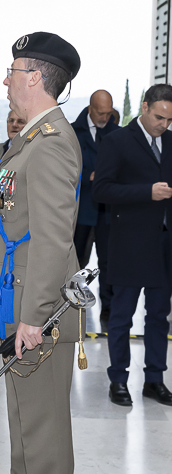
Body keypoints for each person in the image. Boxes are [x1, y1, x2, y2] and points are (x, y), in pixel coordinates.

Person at [0, 31, 82, 474]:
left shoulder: (50, 143)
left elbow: (54, 239)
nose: (5, 80)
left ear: (33, 77)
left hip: (38, 311)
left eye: (11, 71)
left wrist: (34, 316)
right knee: (24, 421)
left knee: (43, 426)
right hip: (19, 302)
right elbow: (19, 221)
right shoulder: (31, 137)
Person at [92, 84, 172, 408]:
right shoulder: (117, 141)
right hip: (129, 244)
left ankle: (154, 379)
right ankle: (118, 380)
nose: (163, 125)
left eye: (168, 120)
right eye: (158, 117)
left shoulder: (171, 141)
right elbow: (101, 190)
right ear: (144, 107)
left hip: (164, 245)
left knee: (159, 317)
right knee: (122, 316)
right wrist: (145, 192)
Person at [71, 90, 119, 331]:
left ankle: (108, 310)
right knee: (76, 261)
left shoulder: (117, 133)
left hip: (108, 211)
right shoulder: (72, 132)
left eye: (109, 113)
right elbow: (64, 169)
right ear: (90, 108)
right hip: (80, 210)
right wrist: (88, 178)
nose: (105, 117)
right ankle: (71, 306)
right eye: (101, 113)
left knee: (109, 262)